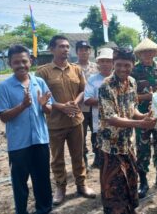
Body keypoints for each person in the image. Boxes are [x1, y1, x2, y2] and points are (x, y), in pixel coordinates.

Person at [36, 35, 96, 205]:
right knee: (57, 158)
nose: (65, 49)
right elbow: (40, 97)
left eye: (67, 46)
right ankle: (60, 188)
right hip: (55, 123)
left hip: (76, 120)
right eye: (61, 46)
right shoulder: (43, 72)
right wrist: (60, 106)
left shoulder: (76, 69)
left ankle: (81, 184)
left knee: (78, 155)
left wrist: (75, 103)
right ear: (51, 49)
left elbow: (84, 91)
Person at [0, 45, 53, 214]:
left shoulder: (39, 82)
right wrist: (22, 106)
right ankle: (22, 211)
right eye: (16, 62)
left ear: (31, 61)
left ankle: (44, 209)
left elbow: (49, 109)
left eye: (24, 61)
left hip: (40, 140)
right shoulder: (3, 87)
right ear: (10, 63)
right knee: (20, 182)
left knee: (42, 179)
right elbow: (3, 116)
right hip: (19, 144)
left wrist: (44, 106)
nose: (21, 65)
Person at [98, 47, 157, 214]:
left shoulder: (132, 82)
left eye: (127, 65)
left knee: (129, 181)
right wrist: (140, 125)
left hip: (127, 143)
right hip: (110, 146)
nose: (123, 69)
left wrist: (144, 116)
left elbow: (133, 110)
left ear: (132, 64)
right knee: (114, 188)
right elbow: (111, 118)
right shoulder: (106, 86)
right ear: (113, 64)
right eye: (119, 65)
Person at [131, 38, 157, 198]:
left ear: (155, 53)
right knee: (143, 149)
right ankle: (143, 182)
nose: (148, 54)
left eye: (150, 51)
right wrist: (146, 96)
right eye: (144, 52)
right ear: (139, 54)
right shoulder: (133, 71)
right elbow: (129, 96)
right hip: (142, 116)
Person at [84, 48, 114, 168]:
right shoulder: (93, 79)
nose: (105, 64)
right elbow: (87, 99)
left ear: (113, 62)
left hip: (119, 120)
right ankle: (98, 160)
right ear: (98, 63)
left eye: (108, 61)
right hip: (100, 120)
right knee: (99, 143)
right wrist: (109, 101)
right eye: (103, 61)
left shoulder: (119, 78)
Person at [75, 40, 99, 170]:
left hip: (95, 107)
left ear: (90, 52)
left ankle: (97, 160)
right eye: (81, 50)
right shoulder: (72, 67)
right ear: (77, 52)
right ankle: (84, 162)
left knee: (97, 133)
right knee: (81, 136)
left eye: (86, 49)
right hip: (81, 108)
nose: (84, 52)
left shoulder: (96, 67)